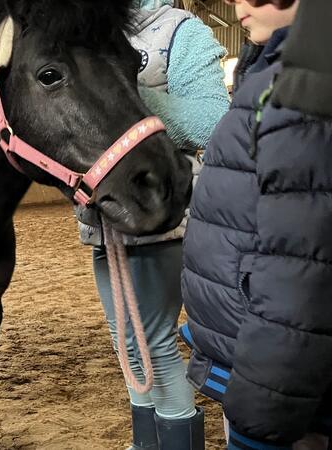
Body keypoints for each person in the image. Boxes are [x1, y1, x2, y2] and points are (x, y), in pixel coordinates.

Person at [75, 1, 230, 448]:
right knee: (125, 341)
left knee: (153, 342)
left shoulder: (181, 31)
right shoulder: (87, 28)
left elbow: (211, 120)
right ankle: (146, 443)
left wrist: (121, 93)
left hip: (163, 216)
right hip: (105, 218)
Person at [178, 0, 332, 448]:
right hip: (253, 353)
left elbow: (302, 271)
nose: (233, 1)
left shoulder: (301, 86)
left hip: (279, 389)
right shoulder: (274, 70)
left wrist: (262, 419)